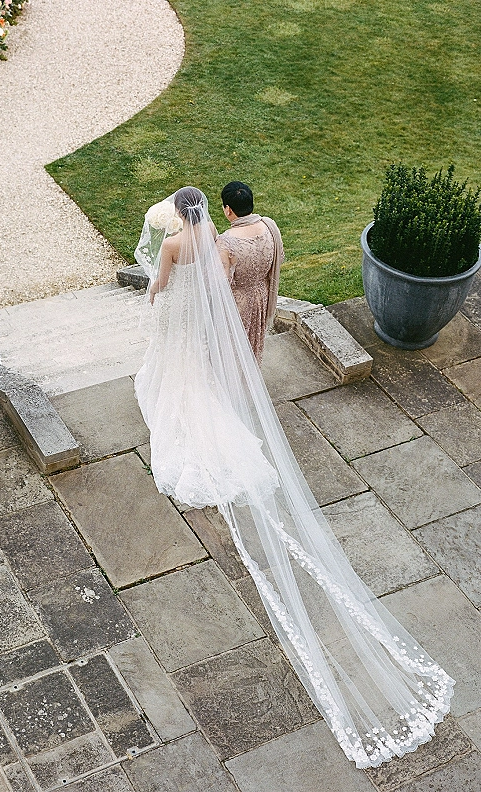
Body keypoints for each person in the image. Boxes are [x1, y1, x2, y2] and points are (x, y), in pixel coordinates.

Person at [134, 187, 454, 769]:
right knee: (225, 375)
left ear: (188, 214)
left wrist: (157, 293)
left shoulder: (190, 242)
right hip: (259, 306)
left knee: (189, 382)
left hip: (219, 310)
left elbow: (187, 285)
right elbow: (264, 268)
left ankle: (207, 426)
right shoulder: (246, 233)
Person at [216, 181, 284, 364]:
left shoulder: (226, 242)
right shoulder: (269, 226)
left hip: (237, 304)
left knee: (231, 350)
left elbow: (220, 283)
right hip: (261, 297)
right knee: (253, 345)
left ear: (228, 209)